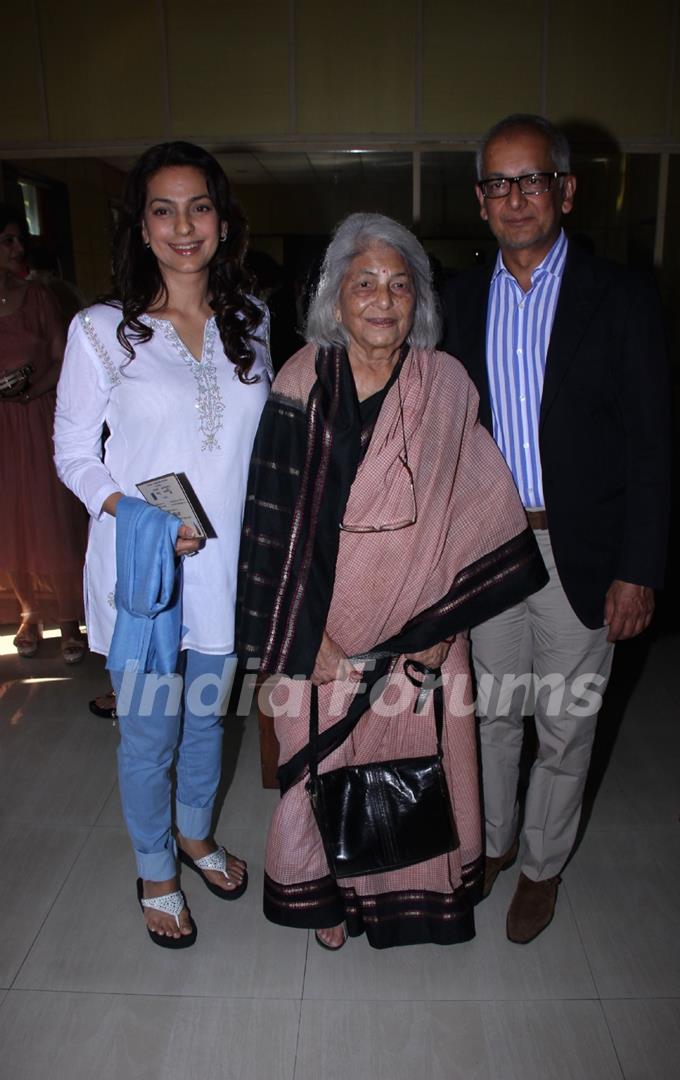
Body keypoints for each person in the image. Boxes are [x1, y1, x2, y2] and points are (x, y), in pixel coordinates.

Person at [236, 212, 548, 950]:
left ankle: (403, 898)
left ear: (420, 300)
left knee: (413, 771)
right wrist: (305, 638)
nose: (382, 299)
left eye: (399, 285)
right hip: (323, 627)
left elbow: (475, 512)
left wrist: (443, 630)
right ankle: (330, 900)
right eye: (364, 283)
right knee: (322, 770)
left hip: (426, 630)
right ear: (335, 298)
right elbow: (271, 516)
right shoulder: (301, 376)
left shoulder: (445, 384)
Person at [442, 114, 671, 943]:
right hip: (492, 547)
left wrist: (638, 568)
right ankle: (497, 846)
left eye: (531, 179)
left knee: (567, 720)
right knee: (495, 714)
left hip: (586, 549)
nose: (515, 198)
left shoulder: (621, 296)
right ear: (480, 200)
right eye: (498, 183)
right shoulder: (457, 300)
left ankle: (541, 866)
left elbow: (653, 445)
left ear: (566, 190)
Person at [55, 142, 271, 947]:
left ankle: (194, 834)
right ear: (141, 228)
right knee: (149, 731)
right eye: (163, 208)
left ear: (222, 219)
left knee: (209, 721)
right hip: (145, 571)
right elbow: (73, 451)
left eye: (200, 206)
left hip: (223, 571)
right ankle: (154, 867)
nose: (185, 226)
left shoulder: (250, 322)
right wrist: (134, 513)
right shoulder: (102, 330)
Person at [0, 203, 86, 662]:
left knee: (50, 516)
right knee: (9, 521)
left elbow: (63, 359)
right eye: (7, 240)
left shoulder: (37, 298)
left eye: (19, 239)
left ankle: (69, 619)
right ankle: (29, 611)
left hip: (36, 416)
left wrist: (30, 391)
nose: (17, 248)